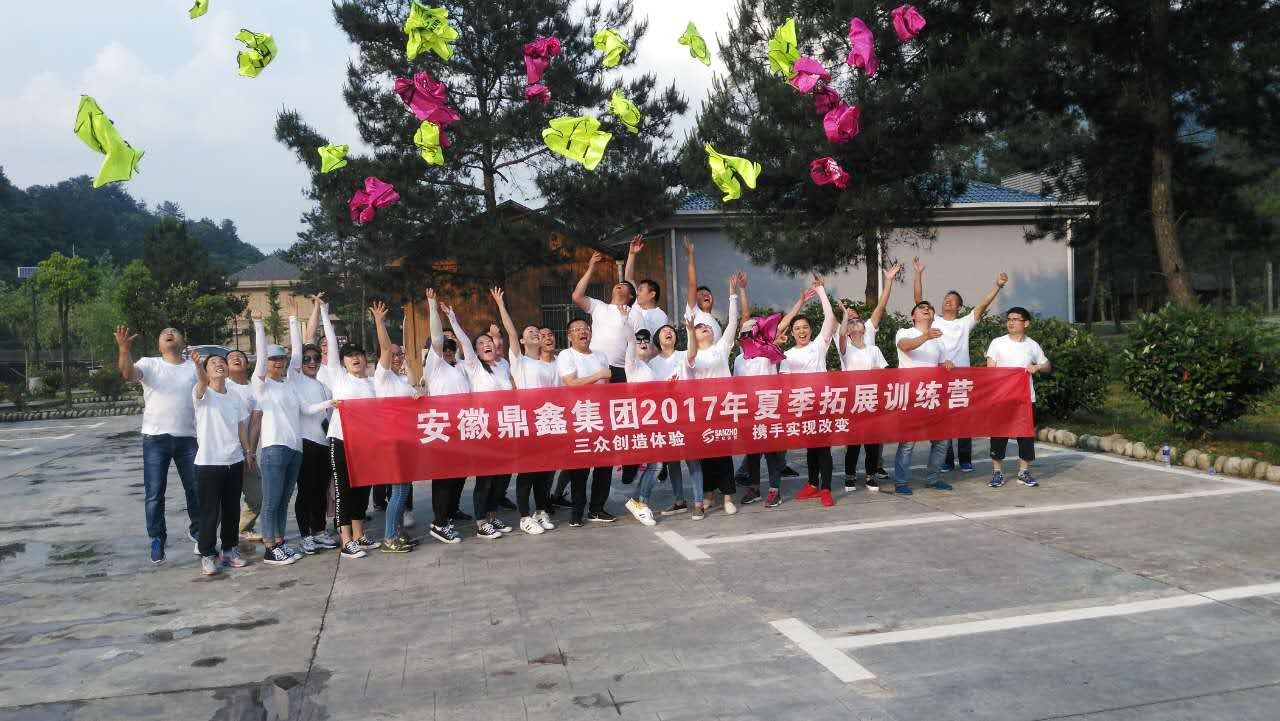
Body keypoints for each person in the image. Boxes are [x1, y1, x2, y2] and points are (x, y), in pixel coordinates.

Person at [913, 258, 1008, 472]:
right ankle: (946, 459)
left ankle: (965, 459)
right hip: (939, 377)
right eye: (946, 299)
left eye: (952, 300)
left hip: (961, 378)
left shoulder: (964, 323)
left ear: (959, 306)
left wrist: (998, 286)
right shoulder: (934, 321)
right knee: (942, 419)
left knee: (964, 418)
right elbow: (918, 301)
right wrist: (918, 273)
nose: (947, 301)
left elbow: (982, 305)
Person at [115, 325, 199, 564]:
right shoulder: (150, 364)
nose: (169, 333)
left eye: (174, 331)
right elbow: (128, 374)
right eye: (164, 333)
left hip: (188, 438)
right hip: (155, 439)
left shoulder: (193, 368)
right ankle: (157, 538)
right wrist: (123, 350)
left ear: (183, 343)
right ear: (159, 346)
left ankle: (198, 530)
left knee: (196, 489)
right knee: (154, 493)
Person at [736, 281, 815, 508]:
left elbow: (785, 323)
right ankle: (754, 488)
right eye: (745, 328)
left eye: (753, 327)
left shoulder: (767, 350)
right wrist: (742, 291)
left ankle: (774, 490)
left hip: (769, 409)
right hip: (748, 412)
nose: (748, 329)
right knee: (752, 453)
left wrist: (800, 302)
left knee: (771, 452)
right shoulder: (739, 359)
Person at [445, 302, 517, 540]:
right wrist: (453, 318)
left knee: (500, 478)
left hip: (504, 428)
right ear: (475, 352)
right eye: (481, 344)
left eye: (489, 342)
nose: (487, 345)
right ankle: (481, 522)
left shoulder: (503, 365)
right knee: (485, 479)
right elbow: (465, 342)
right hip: (484, 429)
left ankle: (493, 515)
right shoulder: (474, 367)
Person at [493, 288, 558, 536]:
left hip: (547, 422)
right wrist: (501, 304)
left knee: (544, 472)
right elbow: (511, 331)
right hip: (526, 423)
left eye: (537, 333)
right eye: (529, 332)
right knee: (527, 472)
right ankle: (524, 516)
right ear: (522, 341)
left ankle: (541, 510)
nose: (534, 334)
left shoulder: (549, 364)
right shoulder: (519, 361)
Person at [251, 313, 314, 565]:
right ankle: (270, 547)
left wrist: (293, 319)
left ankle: (279, 541)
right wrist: (258, 325)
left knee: (284, 500)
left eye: (281, 358)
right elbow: (260, 356)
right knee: (271, 501)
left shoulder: (289, 385)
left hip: (295, 449)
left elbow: (307, 409)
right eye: (273, 359)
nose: (278, 362)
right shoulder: (261, 385)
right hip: (274, 449)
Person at [620, 305, 691, 526]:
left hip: (654, 420)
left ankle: (639, 501)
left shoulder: (649, 366)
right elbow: (630, 341)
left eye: (645, 340)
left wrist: (668, 388)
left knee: (655, 464)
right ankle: (639, 502)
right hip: (642, 420)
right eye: (639, 340)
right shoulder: (632, 365)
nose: (642, 343)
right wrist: (626, 321)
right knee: (657, 464)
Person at [320, 301, 380, 559]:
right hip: (342, 440)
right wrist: (324, 312)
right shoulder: (339, 377)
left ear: (366, 359)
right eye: (349, 356)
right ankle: (346, 540)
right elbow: (333, 346)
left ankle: (359, 534)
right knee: (344, 489)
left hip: (365, 444)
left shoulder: (373, 383)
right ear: (342, 362)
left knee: (362, 488)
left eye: (358, 355)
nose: (354, 358)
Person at [838, 264, 901, 492]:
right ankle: (850, 475)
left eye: (857, 320)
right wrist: (843, 316)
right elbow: (840, 335)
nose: (854, 322)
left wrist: (889, 280)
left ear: (864, 328)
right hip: (852, 399)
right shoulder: (844, 347)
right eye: (850, 321)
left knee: (873, 440)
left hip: (872, 398)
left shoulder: (873, 349)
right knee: (853, 442)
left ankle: (871, 475)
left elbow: (883, 372)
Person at [190, 350, 253, 574]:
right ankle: (207, 554)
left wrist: (248, 451)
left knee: (231, 510)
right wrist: (198, 367)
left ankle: (229, 550)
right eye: (213, 363)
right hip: (209, 462)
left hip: (234, 460)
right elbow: (200, 381)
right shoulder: (202, 392)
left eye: (222, 362)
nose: (219, 364)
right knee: (210, 511)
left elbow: (241, 426)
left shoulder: (235, 396)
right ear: (206, 371)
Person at [780, 275, 839, 506]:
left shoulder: (818, 346)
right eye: (797, 328)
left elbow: (830, 318)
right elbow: (785, 384)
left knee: (823, 447)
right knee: (811, 448)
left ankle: (826, 489)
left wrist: (822, 291)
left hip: (822, 404)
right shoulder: (787, 355)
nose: (801, 331)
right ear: (792, 332)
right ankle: (813, 484)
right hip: (802, 406)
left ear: (811, 330)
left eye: (805, 327)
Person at [685, 274, 740, 519]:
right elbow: (689, 357)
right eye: (699, 328)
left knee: (724, 452)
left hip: (723, 406)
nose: (704, 328)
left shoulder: (721, 348)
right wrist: (689, 330)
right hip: (701, 409)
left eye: (706, 326)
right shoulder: (690, 355)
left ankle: (728, 497)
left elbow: (733, 322)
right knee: (706, 452)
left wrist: (732, 294)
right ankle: (708, 494)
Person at [557, 317, 619, 526]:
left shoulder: (601, 355)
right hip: (579, 418)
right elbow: (571, 383)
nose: (582, 332)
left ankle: (597, 509)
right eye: (577, 329)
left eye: (585, 328)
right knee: (579, 467)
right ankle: (577, 512)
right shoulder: (566, 355)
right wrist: (598, 375)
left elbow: (607, 386)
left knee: (604, 466)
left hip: (601, 417)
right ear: (569, 336)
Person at [370, 300, 421, 553]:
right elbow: (385, 348)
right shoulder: (382, 376)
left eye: (400, 354)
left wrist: (410, 367)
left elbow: (415, 389)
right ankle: (389, 537)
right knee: (399, 491)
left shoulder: (401, 381)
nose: (397, 357)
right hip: (391, 440)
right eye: (394, 354)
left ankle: (398, 532)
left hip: (406, 439)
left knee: (404, 489)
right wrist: (380, 323)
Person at [421, 290, 469, 544]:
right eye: (444, 348)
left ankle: (450, 512)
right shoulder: (434, 365)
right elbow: (437, 337)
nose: (448, 351)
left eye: (452, 348)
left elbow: (467, 347)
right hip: (441, 427)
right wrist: (432, 306)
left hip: (462, 426)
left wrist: (454, 320)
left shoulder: (460, 367)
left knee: (459, 474)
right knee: (444, 476)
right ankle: (439, 522)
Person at [291, 299, 338, 554]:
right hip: (306, 443)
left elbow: (330, 415)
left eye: (316, 358)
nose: (312, 362)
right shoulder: (296, 380)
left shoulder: (323, 385)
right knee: (306, 490)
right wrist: (296, 318)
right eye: (307, 358)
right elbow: (307, 409)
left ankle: (319, 530)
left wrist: (324, 312)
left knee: (320, 490)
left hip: (323, 443)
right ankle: (305, 534)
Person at [893, 301, 955, 495]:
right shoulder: (905, 332)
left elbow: (942, 364)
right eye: (921, 308)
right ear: (913, 316)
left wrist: (947, 365)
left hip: (932, 395)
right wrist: (926, 336)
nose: (926, 309)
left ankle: (933, 478)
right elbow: (905, 346)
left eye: (929, 308)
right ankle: (901, 482)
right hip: (911, 395)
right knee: (908, 442)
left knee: (942, 439)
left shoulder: (938, 341)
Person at [985, 307, 1050, 488]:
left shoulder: (1032, 345)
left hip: (1025, 398)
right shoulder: (997, 343)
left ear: (1025, 323)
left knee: (1026, 436)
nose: (1011, 322)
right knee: (999, 436)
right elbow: (990, 369)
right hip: (1002, 398)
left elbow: (1047, 365)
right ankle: (997, 472)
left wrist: (1037, 367)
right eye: (1009, 319)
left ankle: (1023, 472)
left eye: (1015, 319)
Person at [647, 323, 692, 516]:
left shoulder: (684, 355)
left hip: (687, 413)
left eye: (671, 331)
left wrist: (690, 330)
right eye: (664, 331)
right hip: (665, 417)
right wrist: (667, 389)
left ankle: (701, 499)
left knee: (693, 460)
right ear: (657, 339)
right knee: (672, 461)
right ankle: (679, 500)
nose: (668, 332)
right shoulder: (652, 364)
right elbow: (649, 391)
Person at [225, 346, 263, 544]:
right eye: (231, 357)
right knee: (226, 498)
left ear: (248, 364)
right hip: (225, 452)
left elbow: (255, 423)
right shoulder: (221, 386)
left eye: (240, 356)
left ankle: (243, 528)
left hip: (247, 450)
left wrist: (251, 452)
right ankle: (219, 536)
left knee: (256, 496)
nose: (236, 358)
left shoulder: (253, 389)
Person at [623, 235, 670, 336]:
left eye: (640, 290)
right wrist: (632, 254)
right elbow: (628, 279)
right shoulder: (635, 304)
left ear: (652, 294)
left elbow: (657, 340)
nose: (637, 293)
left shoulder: (660, 316)